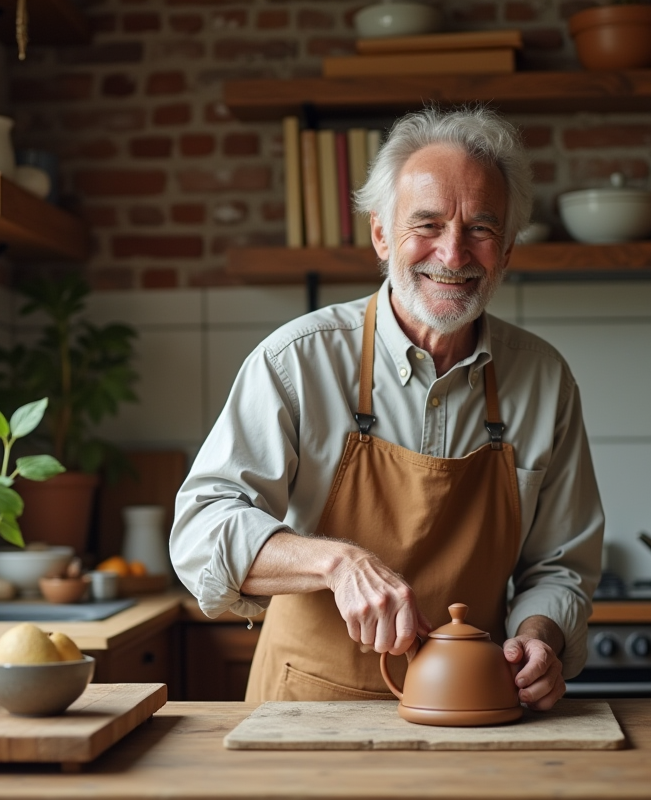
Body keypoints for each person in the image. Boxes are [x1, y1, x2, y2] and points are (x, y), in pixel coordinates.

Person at [171, 106, 603, 711]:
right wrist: (335, 562)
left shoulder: (543, 379)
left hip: (471, 710)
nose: (453, 255)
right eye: (426, 224)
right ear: (381, 234)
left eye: (480, 229)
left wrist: (538, 640)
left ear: (506, 249)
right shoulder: (297, 361)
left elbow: (560, 566)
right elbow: (202, 530)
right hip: (305, 712)